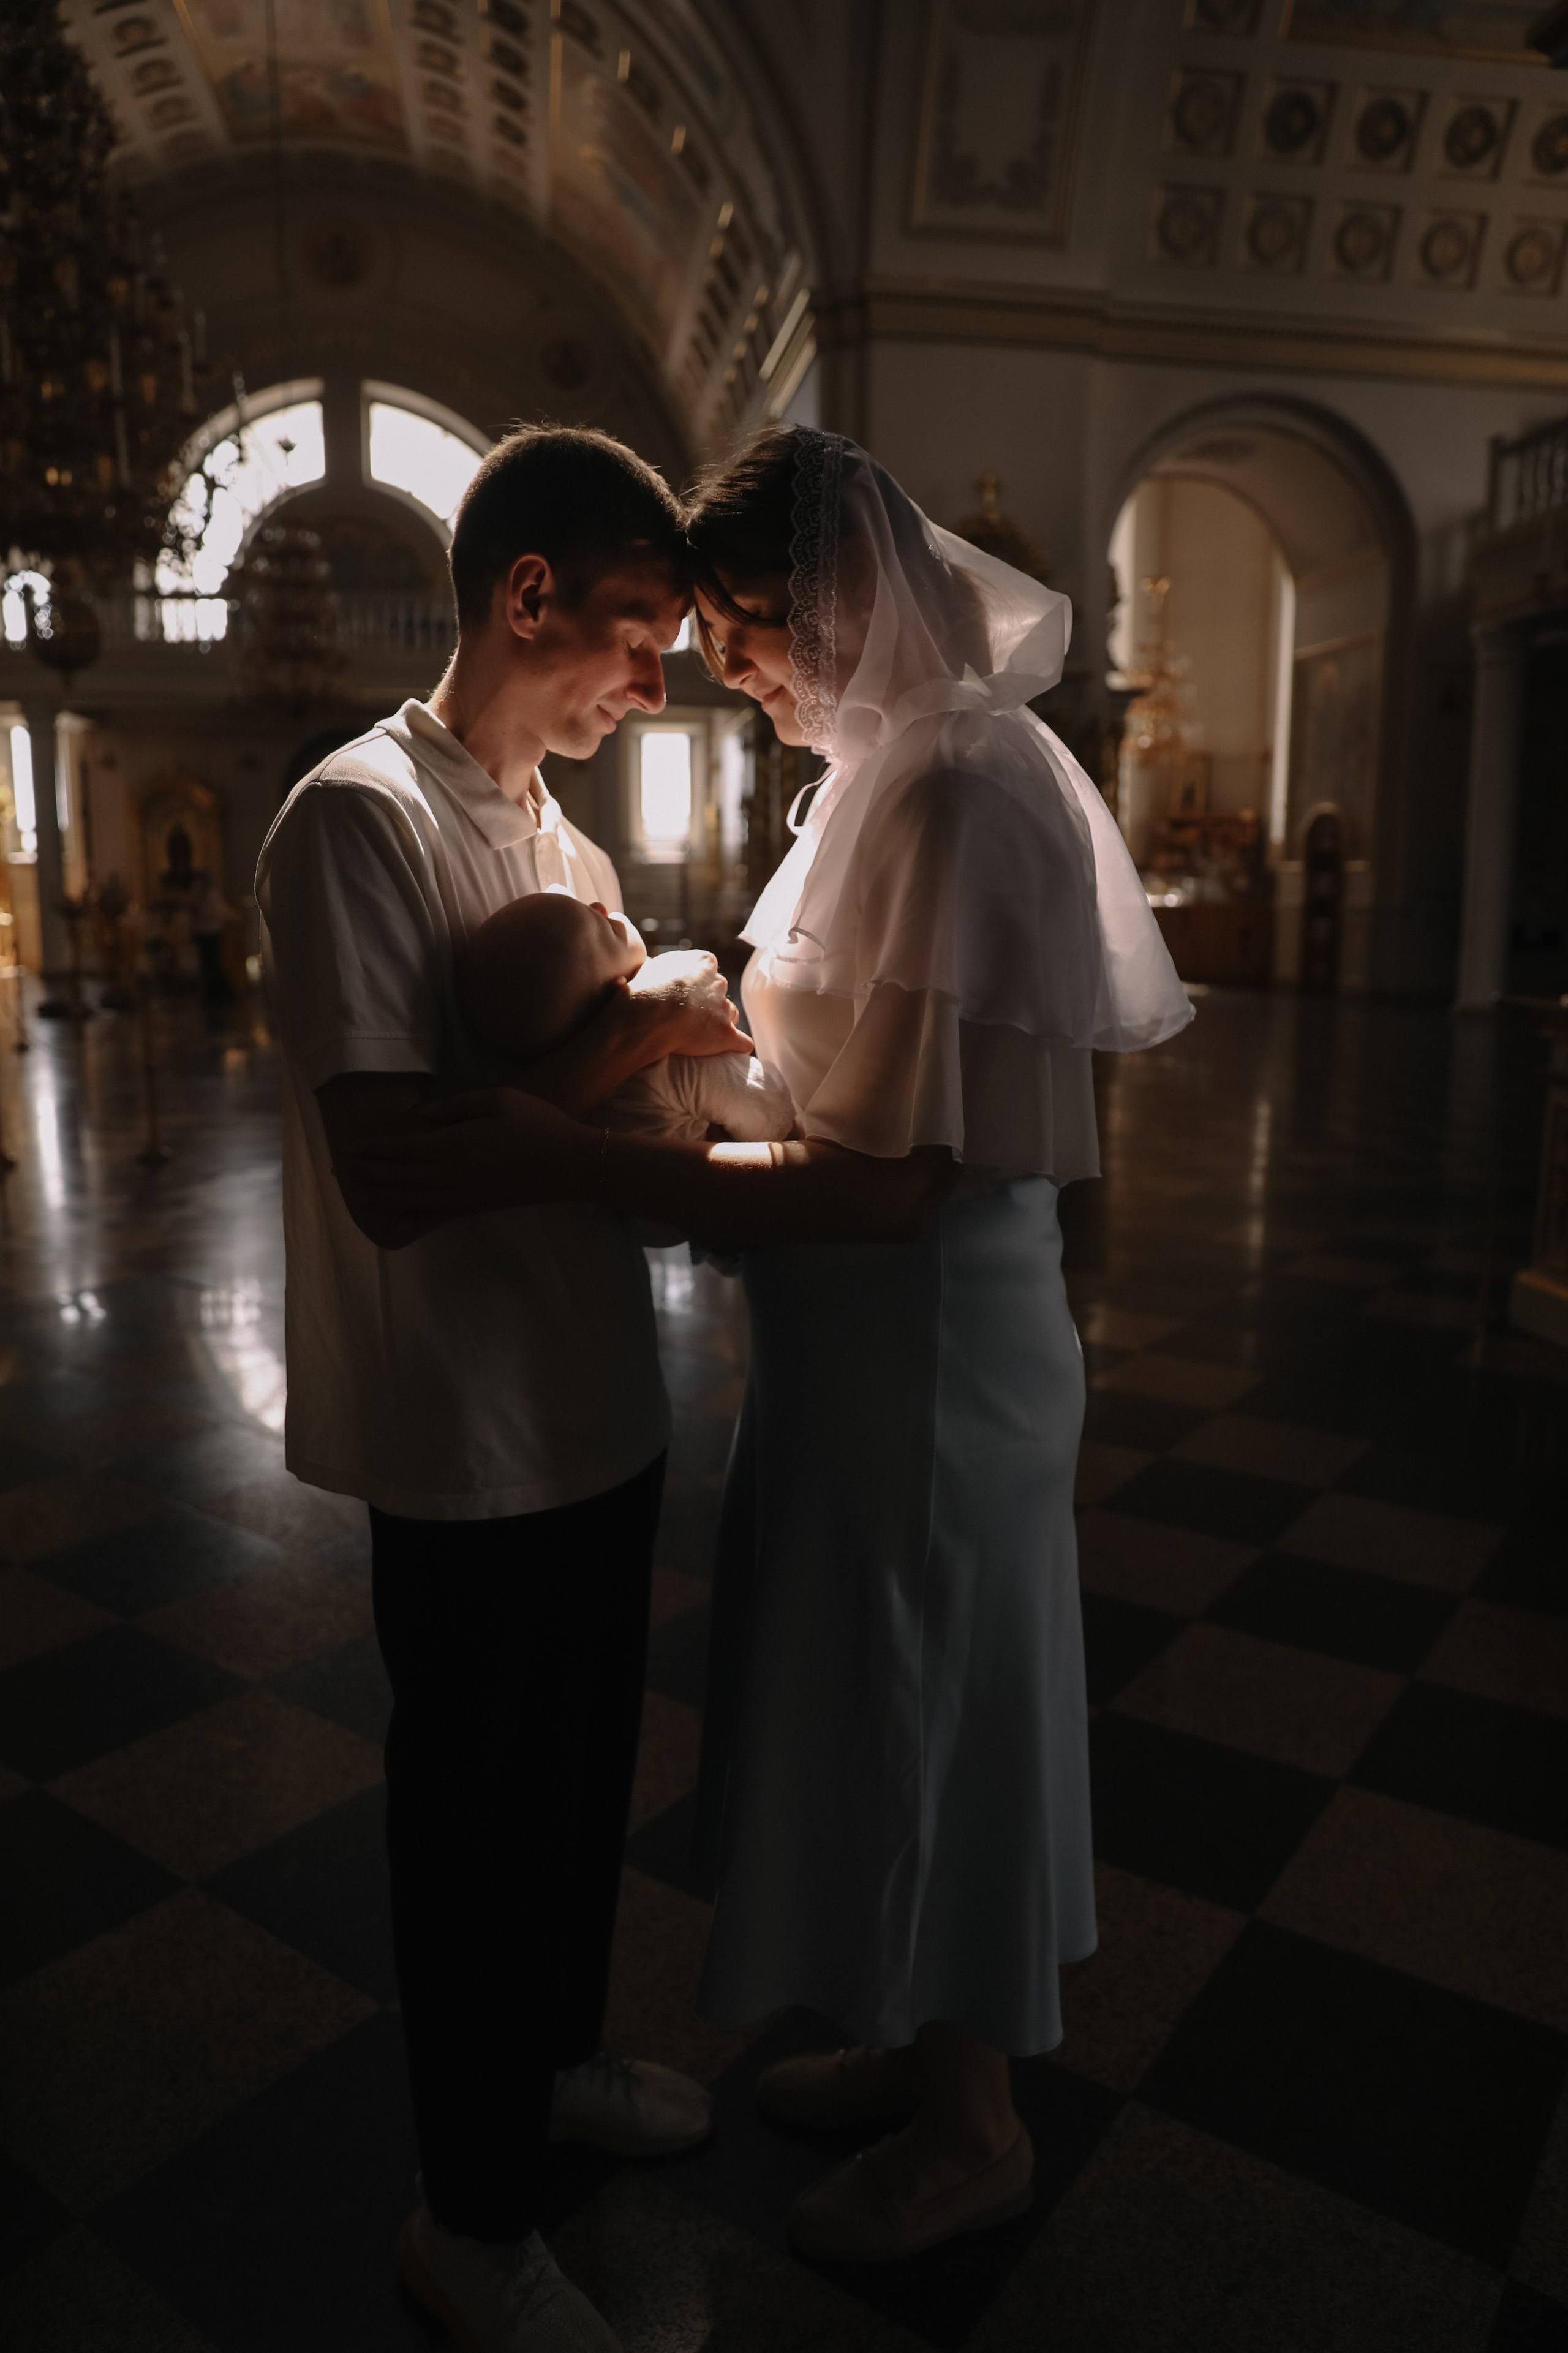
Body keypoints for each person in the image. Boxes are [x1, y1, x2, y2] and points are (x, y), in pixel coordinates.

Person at [343, 425, 1192, 2266]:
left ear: (843, 597)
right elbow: (824, 1070)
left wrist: (584, 1150)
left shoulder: (965, 783)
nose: (722, 668)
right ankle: (911, 2031)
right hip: (849, 1351)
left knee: (938, 1695)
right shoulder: (870, 777)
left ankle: (974, 2122)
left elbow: (894, 1183)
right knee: (884, 1691)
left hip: (933, 1353)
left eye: (739, 625)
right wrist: (672, 1054)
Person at [255, 426, 744, 2353]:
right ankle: (468, 2217)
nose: (657, 677)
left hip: (596, 1398)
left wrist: (679, 1072)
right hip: (462, 1428)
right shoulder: (355, 818)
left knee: (576, 1790)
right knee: (473, 1822)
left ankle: (548, 2065)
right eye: (639, 632)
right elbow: (400, 1167)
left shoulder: (562, 837)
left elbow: (571, 1118)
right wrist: (632, 1032)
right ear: (527, 594)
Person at [458, 889, 795, 1148]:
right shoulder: (676, 1066)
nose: (600, 908)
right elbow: (772, 1114)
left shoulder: (565, 1085)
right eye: (606, 929)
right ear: (620, 992)